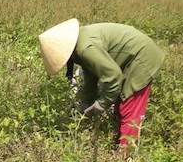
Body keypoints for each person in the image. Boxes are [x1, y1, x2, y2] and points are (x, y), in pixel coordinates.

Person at [38, 19, 165, 152]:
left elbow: (113, 76)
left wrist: (102, 104)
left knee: (127, 109)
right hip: (133, 55)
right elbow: (91, 75)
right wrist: (85, 102)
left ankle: (127, 158)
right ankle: (118, 149)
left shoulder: (85, 48)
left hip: (142, 57)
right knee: (119, 107)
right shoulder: (79, 45)